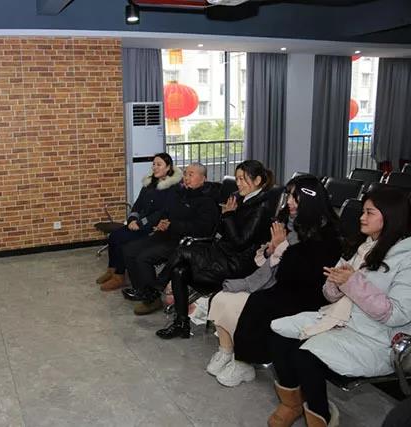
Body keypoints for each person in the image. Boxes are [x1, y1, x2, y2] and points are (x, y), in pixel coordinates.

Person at [268, 187, 411, 427]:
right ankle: (292, 403)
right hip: (341, 318)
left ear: (390, 217)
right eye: (363, 211)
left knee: (305, 357)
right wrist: (336, 285)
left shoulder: (406, 258)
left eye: (369, 212)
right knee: (278, 333)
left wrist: (352, 283)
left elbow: (397, 314)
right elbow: (329, 294)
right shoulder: (363, 246)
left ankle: (321, 417)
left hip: (378, 338)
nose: (361, 218)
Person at [210, 175, 342, 387]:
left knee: (258, 303)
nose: (289, 202)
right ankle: (226, 350)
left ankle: (245, 361)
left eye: (295, 198)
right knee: (223, 297)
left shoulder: (326, 234)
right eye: (288, 196)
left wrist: (281, 248)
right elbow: (270, 259)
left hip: (306, 295)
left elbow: (296, 275)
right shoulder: (288, 222)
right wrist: (271, 250)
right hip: (280, 283)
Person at [155, 160, 275, 340]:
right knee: (179, 270)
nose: (238, 183)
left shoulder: (262, 207)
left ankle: (156, 286)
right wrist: (226, 216)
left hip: (238, 264)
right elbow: (220, 231)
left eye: (242, 179)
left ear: (257, 180)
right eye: (237, 179)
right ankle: (181, 324)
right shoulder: (240, 198)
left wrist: (229, 215)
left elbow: (240, 242)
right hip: (223, 254)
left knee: (181, 251)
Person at [121, 163, 219, 315]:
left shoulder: (207, 201)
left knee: (143, 257)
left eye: (191, 174)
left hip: (185, 242)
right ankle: (142, 289)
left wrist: (172, 225)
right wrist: (163, 222)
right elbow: (167, 212)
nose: (186, 178)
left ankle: (152, 299)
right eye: (185, 174)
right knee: (129, 250)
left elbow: (201, 229)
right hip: (167, 234)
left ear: (203, 179)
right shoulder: (181, 194)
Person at [97, 152, 182, 291]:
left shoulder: (173, 188)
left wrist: (140, 223)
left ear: (168, 167)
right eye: (153, 164)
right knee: (114, 237)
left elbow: (161, 213)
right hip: (138, 223)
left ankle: (120, 277)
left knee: (122, 241)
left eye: (159, 164)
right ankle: (112, 270)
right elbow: (137, 205)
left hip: (152, 227)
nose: (155, 167)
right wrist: (132, 219)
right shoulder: (149, 183)